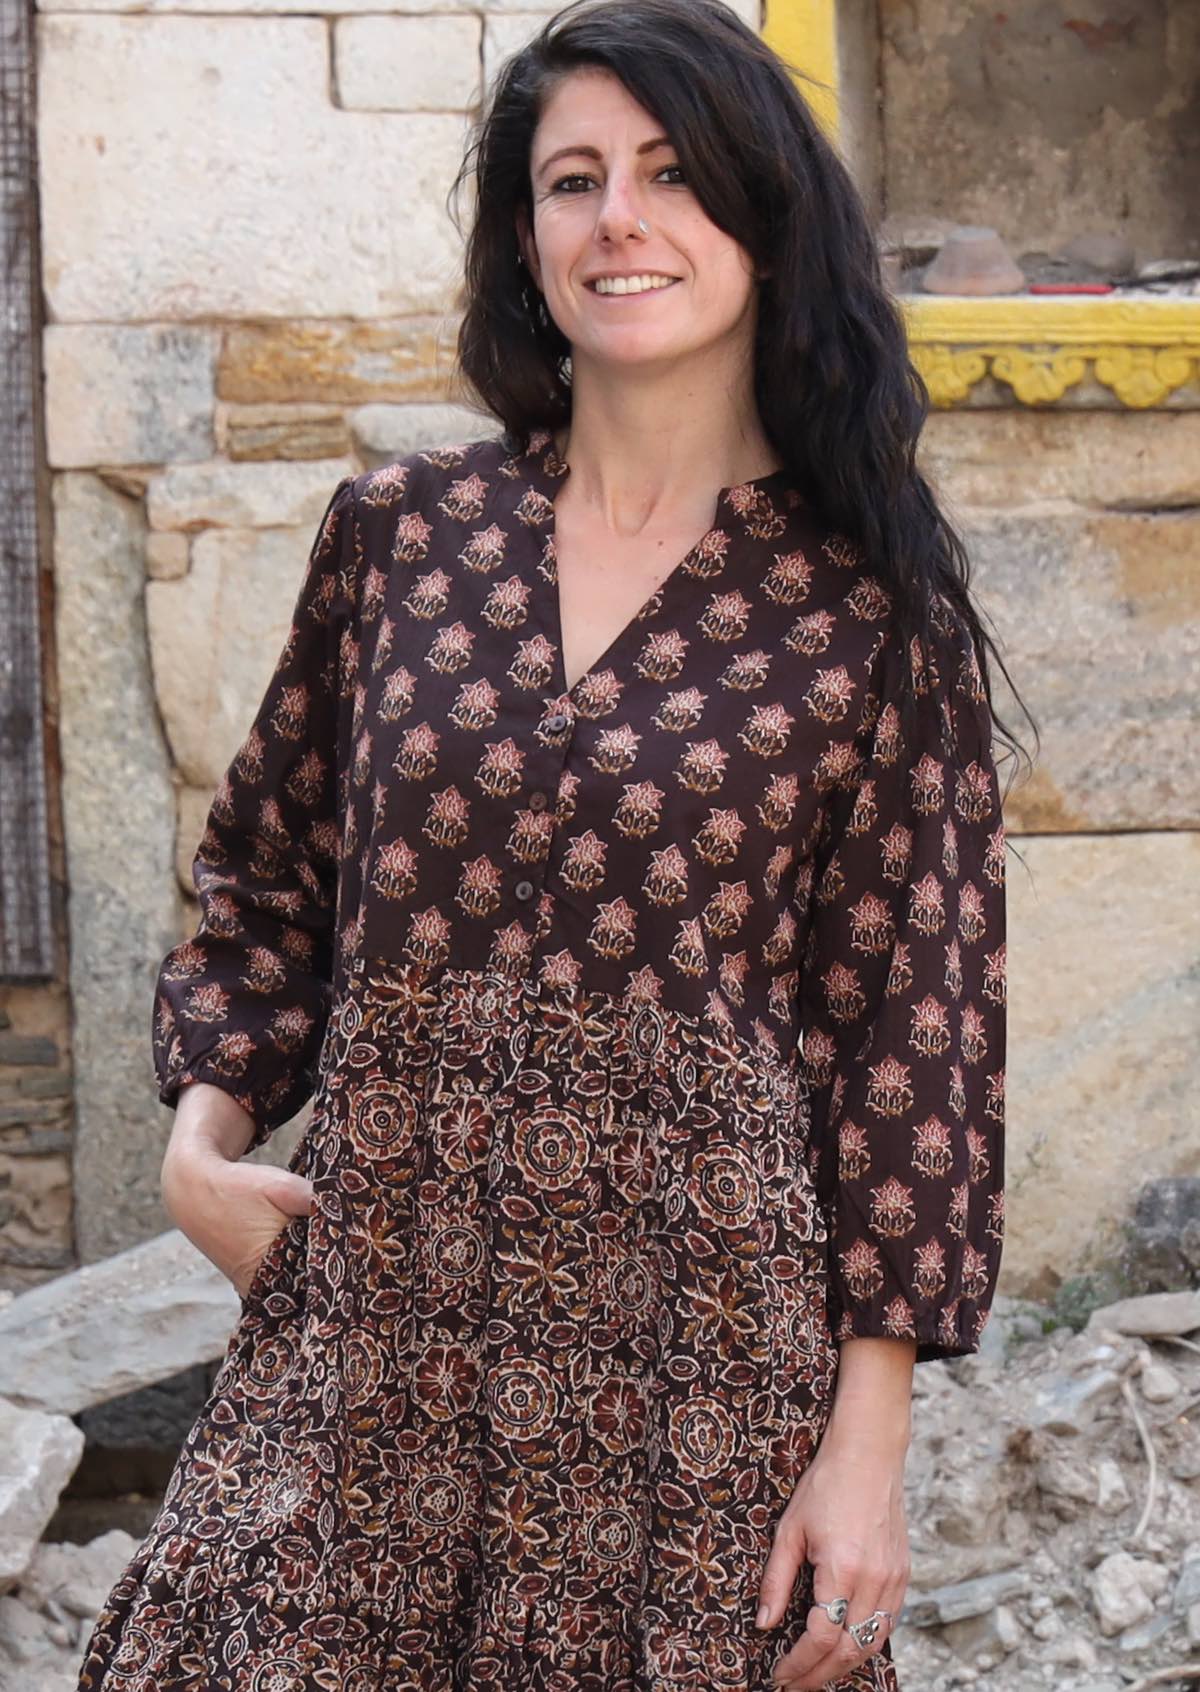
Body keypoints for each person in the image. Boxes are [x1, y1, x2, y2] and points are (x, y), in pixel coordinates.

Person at [78, 0, 1032, 1686]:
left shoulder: (868, 615)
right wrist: (198, 1148)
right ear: (527, 243)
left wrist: (863, 1450)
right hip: (376, 1310)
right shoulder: (401, 539)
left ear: (759, 219)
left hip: (694, 1368)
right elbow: (268, 876)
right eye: (572, 181)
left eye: (671, 175)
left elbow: (917, 1041)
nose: (621, 221)